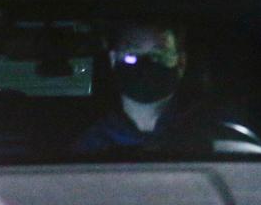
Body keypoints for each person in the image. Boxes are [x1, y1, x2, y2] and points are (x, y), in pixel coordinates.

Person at [74, 21, 189, 153]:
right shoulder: (93, 145)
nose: (146, 65)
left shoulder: (204, 132)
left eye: (158, 55)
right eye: (131, 55)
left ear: (181, 62)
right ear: (113, 60)